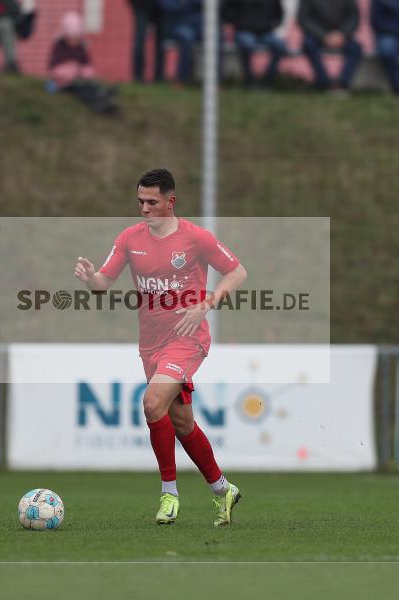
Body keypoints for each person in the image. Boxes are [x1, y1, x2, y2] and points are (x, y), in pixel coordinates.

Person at [73, 169, 248, 526]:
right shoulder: (129, 238)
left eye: (152, 202)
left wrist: (206, 304)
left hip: (187, 337)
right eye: (140, 201)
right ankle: (222, 490)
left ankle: (169, 493)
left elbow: (237, 272)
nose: (144, 209)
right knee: (181, 422)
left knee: (152, 403)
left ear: (171, 202)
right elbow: (103, 283)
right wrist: (91, 278)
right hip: (151, 344)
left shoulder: (196, 238)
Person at [48, 12, 118, 114]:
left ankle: (103, 97)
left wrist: (85, 73)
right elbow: (54, 69)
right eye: (71, 38)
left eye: (76, 37)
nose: (74, 41)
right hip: (64, 83)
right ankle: (97, 103)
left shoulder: (81, 48)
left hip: (80, 79)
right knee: (82, 89)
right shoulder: (59, 48)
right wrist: (70, 71)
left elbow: (87, 64)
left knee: (91, 85)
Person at [298, 0, 362, 91]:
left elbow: (354, 17)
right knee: (308, 45)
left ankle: (342, 83)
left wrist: (342, 34)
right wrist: (323, 35)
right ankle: (324, 82)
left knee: (355, 48)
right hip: (316, 35)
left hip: (341, 35)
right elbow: (304, 19)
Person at [222, 0, 286, 88]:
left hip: (266, 31)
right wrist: (238, 22)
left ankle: (268, 79)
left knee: (279, 45)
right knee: (247, 44)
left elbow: (279, 12)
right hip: (244, 30)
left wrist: (274, 23)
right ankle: (249, 78)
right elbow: (227, 11)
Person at [159, 0, 203, 85]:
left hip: (199, 25)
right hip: (178, 25)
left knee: (216, 35)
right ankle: (182, 79)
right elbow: (167, 6)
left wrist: (185, 3)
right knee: (187, 37)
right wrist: (190, 5)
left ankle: (217, 80)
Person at [127, 0, 165, 83]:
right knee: (140, 39)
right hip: (142, 5)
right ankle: (138, 75)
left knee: (161, 40)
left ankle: (159, 75)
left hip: (160, 6)